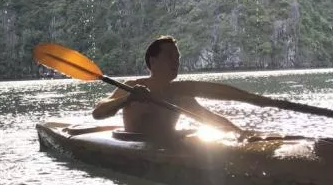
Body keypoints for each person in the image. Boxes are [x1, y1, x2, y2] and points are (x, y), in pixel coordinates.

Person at [92, 36, 244, 139]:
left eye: (178, 58)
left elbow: (209, 117)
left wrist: (241, 133)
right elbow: (98, 113)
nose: (176, 62)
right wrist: (127, 99)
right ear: (153, 61)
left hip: (167, 146)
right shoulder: (132, 86)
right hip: (135, 146)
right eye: (170, 56)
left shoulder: (180, 94)